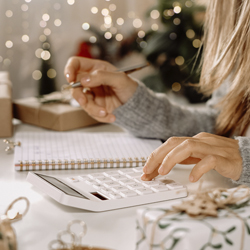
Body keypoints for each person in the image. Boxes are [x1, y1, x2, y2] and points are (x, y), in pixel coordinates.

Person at [64, 0, 250, 186]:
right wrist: (133, 102)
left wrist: (246, 158)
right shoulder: (234, 12)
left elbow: (235, 148)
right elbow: (222, 126)